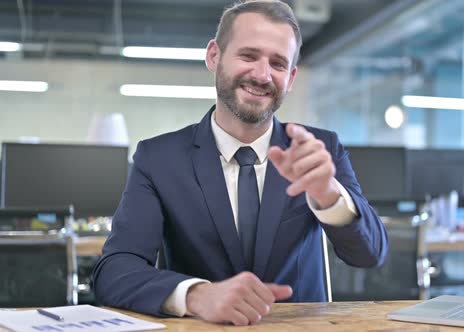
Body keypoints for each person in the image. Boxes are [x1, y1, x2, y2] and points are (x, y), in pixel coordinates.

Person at [92, 0, 388, 326]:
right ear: (214, 56)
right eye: (248, 56)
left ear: (290, 78)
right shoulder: (159, 158)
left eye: (277, 64)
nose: (262, 75)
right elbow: (114, 271)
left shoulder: (319, 150)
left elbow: (369, 254)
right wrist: (197, 295)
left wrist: (329, 195)